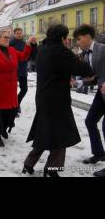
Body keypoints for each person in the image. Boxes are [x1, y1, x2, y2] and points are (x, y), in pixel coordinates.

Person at [23, 24, 93, 177]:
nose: (67, 41)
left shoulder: (43, 49)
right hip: (57, 101)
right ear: (62, 38)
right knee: (62, 136)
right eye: (66, 37)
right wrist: (89, 65)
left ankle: (29, 163)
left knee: (45, 132)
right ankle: (52, 169)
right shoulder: (61, 52)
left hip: (43, 98)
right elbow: (81, 69)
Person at [0, 30, 36, 147]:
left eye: (8, 37)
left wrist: (28, 44)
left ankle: (4, 129)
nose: (7, 39)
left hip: (10, 89)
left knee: (10, 112)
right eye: (5, 37)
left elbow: (23, 56)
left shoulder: (12, 50)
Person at [72, 24, 105, 173]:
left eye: (78, 39)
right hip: (101, 94)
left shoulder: (102, 48)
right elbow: (95, 77)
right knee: (90, 121)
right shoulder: (86, 54)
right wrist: (78, 82)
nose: (77, 43)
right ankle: (99, 154)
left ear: (86, 37)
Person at [10, 28, 37, 116]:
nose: (19, 35)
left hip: (23, 69)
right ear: (14, 34)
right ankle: (14, 108)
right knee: (13, 90)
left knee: (24, 89)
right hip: (13, 70)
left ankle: (17, 103)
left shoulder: (25, 43)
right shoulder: (11, 44)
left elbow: (32, 55)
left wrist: (34, 44)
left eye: (20, 33)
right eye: (17, 33)